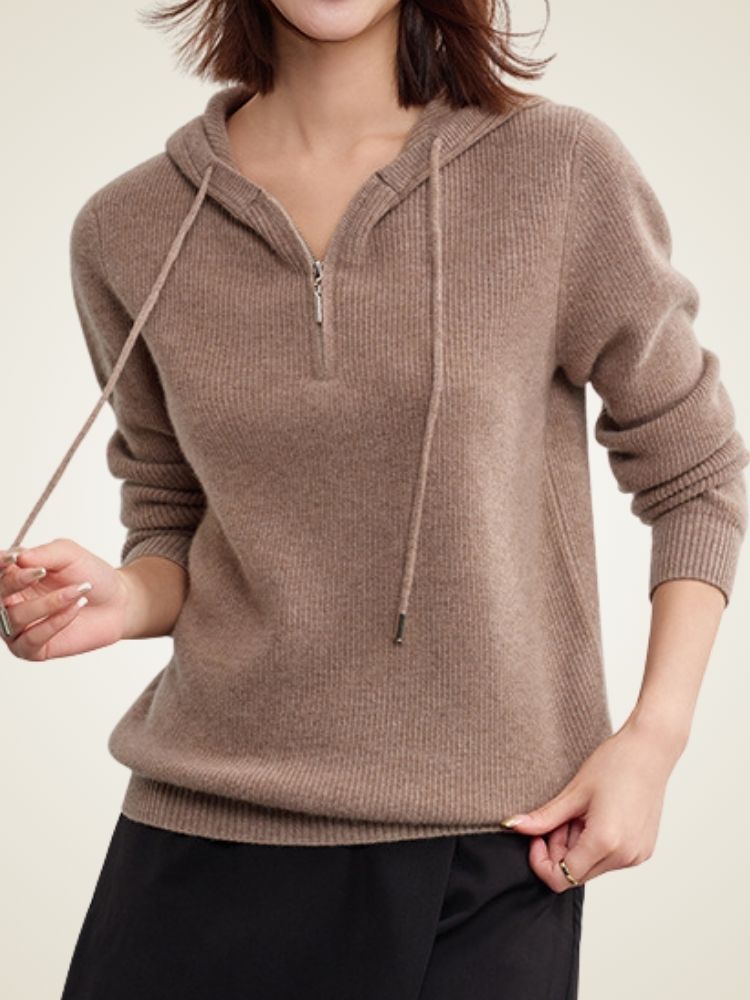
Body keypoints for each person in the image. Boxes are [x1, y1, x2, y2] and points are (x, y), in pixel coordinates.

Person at [1, 2, 747, 998]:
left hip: (486, 846)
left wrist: (654, 740)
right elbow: (172, 511)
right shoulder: (128, 227)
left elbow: (696, 470)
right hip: (197, 834)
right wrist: (126, 595)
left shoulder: (557, 170)